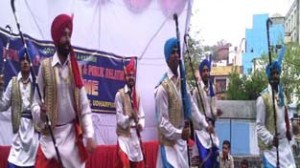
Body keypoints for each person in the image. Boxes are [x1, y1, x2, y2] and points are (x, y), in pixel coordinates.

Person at [31, 14, 96, 168]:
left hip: (72, 140)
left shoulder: (75, 69)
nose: (68, 39)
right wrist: (40, 113)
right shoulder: (45, 67)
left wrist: (90, 135)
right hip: (49, 140)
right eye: (64, 35)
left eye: (69, 35)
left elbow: (84, 107)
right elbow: (34, 103)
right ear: (56, 38)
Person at [154, 37, 213, 168]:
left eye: (177, 52)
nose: (176, 55)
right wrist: (179, 133)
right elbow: (162, 123)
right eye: (173, 52)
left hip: (181, 145)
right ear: (167, 56)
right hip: (169, 147)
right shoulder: (162, 88)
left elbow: (192, 107)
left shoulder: (182, 84)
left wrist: (205, 124)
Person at [0, 48, 39, 168]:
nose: (25, 62)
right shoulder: (13, 83)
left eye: (28, 59)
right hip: (17, 142)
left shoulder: (37, 83)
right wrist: (0, 90)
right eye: (23, 59)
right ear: (19, 62)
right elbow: (2, 106)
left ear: (31, 62)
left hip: (33, 142)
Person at [256, 56, 296, 167]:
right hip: (272, 150)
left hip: (285, 147)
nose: (275, 76)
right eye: (273, 73)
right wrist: (271, 139)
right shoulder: (262, 98)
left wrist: (291, 135)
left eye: (277, 73)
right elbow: (259, 126)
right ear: (269, 76)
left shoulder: (283, 97)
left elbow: (287, 121)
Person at [114, 58, 145, 168]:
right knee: (123, 164)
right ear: (125, 77)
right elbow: (119, 120)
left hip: (135, 137)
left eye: (133, 75)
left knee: (138, 164)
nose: (131, 78)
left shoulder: (137, 95)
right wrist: (130, 117)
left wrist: (141, 124)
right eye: (129, 76)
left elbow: (142, 115)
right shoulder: (119, 95)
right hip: (124, 137)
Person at [191, 58, 222, 167]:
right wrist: (203, 124)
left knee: (214, 158)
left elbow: (213, 110)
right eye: (203, 71)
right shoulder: (196, 90)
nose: (206, 73)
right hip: (201, 131)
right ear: (200, 72)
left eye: (207, 70)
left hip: (211, 130)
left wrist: (216, 114)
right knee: (205, 161)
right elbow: (193, 111)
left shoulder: (213, 89)